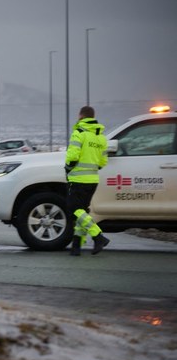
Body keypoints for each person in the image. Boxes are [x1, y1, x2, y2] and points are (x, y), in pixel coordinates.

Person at [65, 105, 109, 256]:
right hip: (93, 179)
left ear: (81, 116)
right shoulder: (101, 137)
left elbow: (72, 156)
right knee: (82, 212)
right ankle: (76, 245)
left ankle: (98, 236)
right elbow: (103, 162)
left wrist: (67, 168)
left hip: (78, 179)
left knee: (73, 209)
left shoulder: (79, 133)